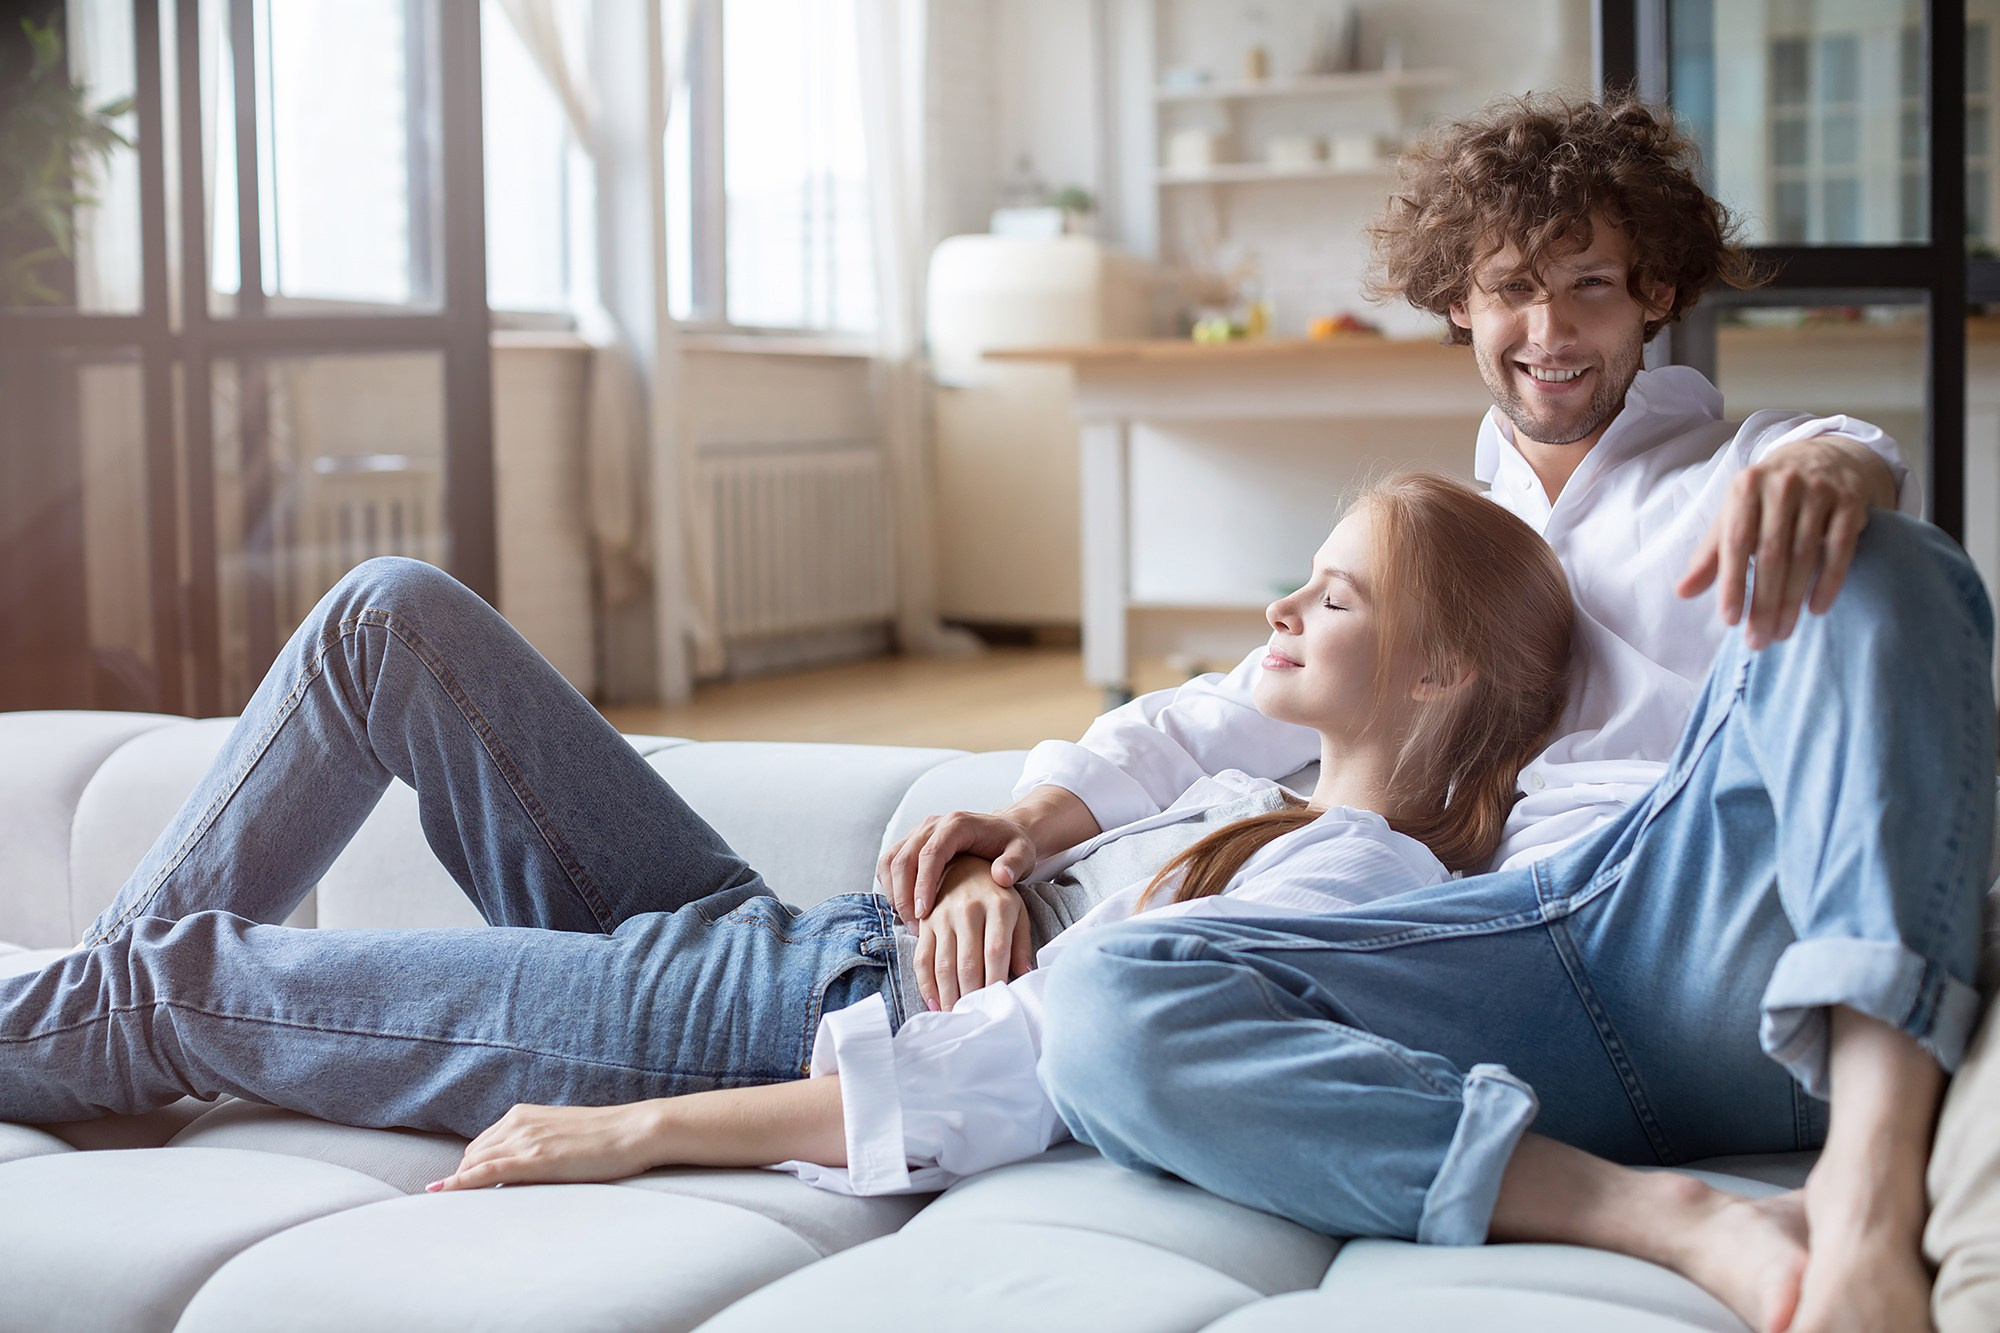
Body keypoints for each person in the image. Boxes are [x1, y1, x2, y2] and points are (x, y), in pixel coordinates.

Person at [878, 94, 1995, 1333]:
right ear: (1459, 301)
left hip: (1710, 920)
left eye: (1589, 286)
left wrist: (1832, 470)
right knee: (1102, 1005)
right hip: (1503, 967)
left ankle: (1866, 1198)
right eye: (1512, 288)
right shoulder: (1451, 537)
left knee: (1884, 559)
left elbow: (1845, 452)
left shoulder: (1744, 467)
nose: (1548, 331)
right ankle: (1681, 1221)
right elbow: (1234, 702)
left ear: (1656, 292)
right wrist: (1032, 815)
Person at [0, 475, 1571, 1199]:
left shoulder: (1353, 875)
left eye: (1333, 597)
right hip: (781, 937)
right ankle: (83, 1046)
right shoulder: (1274, 789)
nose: (1281, 608)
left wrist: (640, 1132)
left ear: (1438, 673)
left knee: (182, 984)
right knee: (389, 619)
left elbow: (1027, 1071)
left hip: (766, 1027)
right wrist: (991, 862)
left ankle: (88, 1030)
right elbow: (1110, 817)